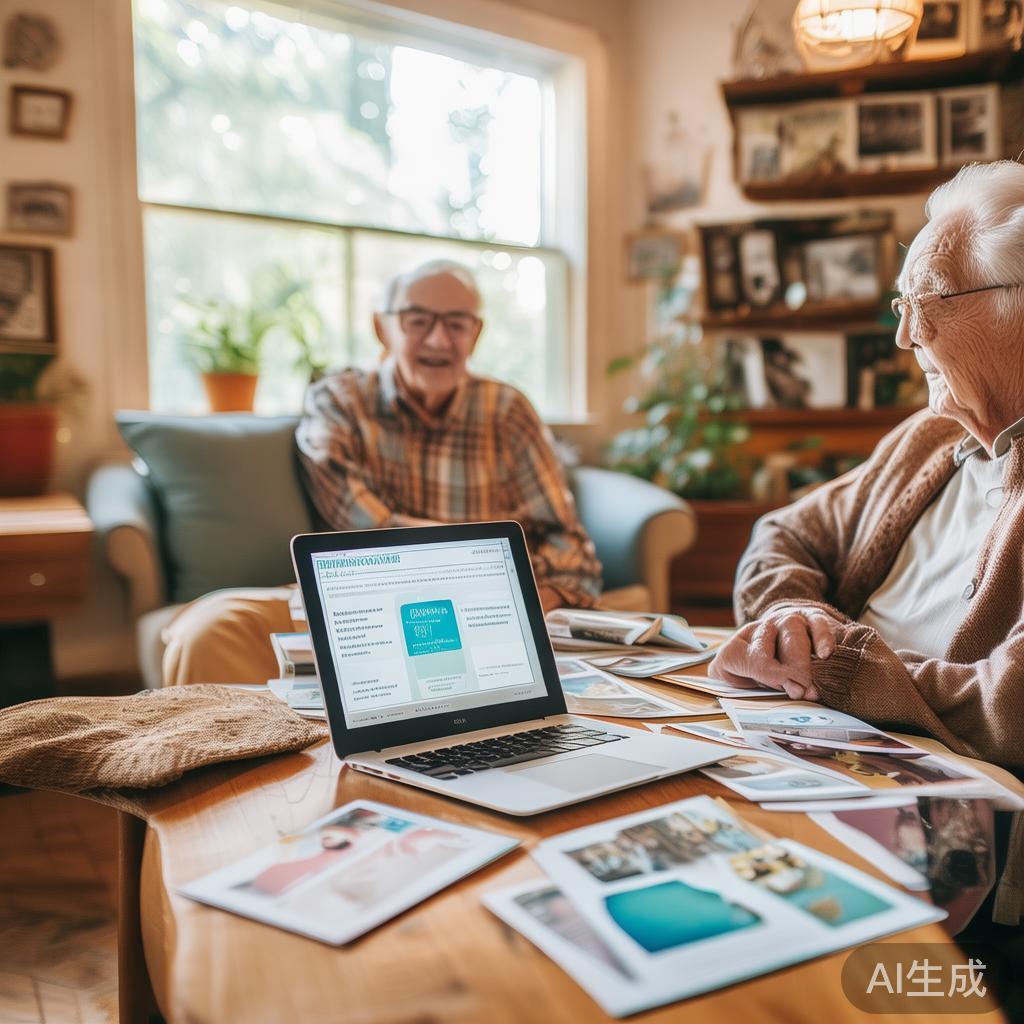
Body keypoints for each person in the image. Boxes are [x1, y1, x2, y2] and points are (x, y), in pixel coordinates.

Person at [708, 160, 1024, 925]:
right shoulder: (929, 437)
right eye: (901, 303)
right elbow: (785, 532)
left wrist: (836, 667)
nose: (904, 333)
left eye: (926, 302)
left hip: (949, 806)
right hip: (812, 733)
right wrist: (794, 620)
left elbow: (1011, 703)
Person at [163, 259, 601, 686]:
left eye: (456, 323)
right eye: (417, 321)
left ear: (476, 333)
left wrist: (519, 599)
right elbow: (365, 528)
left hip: (488, 608)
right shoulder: (339, 401)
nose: (438, 339)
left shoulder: (508, 410)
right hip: (359, 608)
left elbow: (572, 550)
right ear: (382, 328)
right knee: (208, 629)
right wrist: (489, 563)